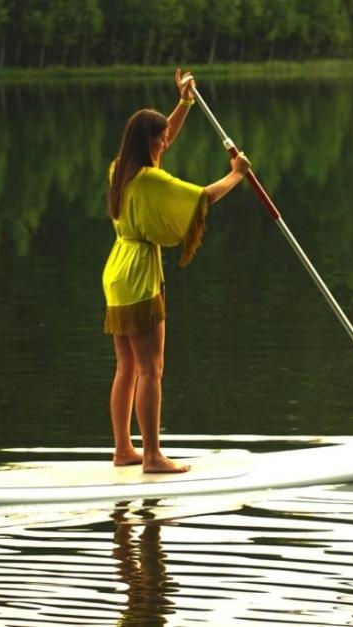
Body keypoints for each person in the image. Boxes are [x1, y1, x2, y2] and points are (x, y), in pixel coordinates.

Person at [102, 69, 251, 473]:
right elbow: (203, 197)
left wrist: (185, 103)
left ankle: (123, 450)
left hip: (116, 271)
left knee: (126, 366)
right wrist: (236, 174)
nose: (167, 140)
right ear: (148, 142)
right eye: (161, 137)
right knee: (152, 367)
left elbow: (162, 136)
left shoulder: (121, 169)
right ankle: (151, 455)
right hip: (139, 275)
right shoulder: (152, 181)